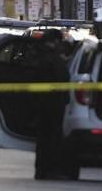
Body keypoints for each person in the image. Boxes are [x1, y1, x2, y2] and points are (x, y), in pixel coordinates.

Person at [32, 29, 74, 180]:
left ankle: (41, 169)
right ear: (55, 41)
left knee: (43, 138)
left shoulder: (38, 56)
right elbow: (62, 79)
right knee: (52, 137)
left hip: (41, 103)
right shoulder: (53, 59)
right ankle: (48, 169)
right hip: (53, 104)